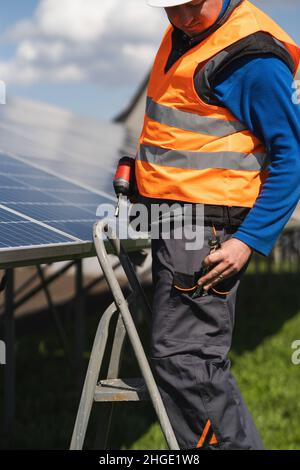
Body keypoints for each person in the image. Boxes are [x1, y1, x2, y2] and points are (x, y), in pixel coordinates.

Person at [132, 0, 300, 449]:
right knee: (184, 360)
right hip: (178, 223)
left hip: (209, 234)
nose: (183, 17)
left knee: (187, 362)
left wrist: (248, 241)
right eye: (172, 8)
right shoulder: (185, 33)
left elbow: (292, 159)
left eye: (191, 6)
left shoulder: (252, 56)